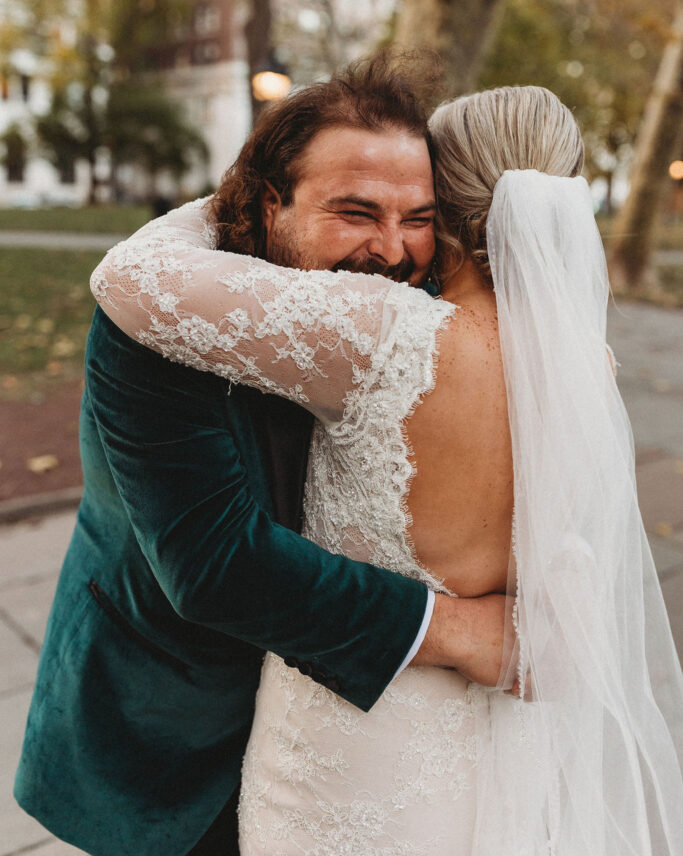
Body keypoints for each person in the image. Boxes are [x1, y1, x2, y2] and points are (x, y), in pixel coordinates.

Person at [91, 83, 683, 854]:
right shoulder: (588, 367)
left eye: (418, 212)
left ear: (450, 200)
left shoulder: (383, 335)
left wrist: (237, 198)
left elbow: (128, 278)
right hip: (499, 735)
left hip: (350, 746)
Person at [14, 59, 511, 856]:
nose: (390, 250)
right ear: (270, 202)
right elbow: (215, 565)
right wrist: (460, 632)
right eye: (354, 212)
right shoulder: (162, 316)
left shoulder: (409, 308)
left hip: (342, 730)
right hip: (171, 723)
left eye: (416, 217)